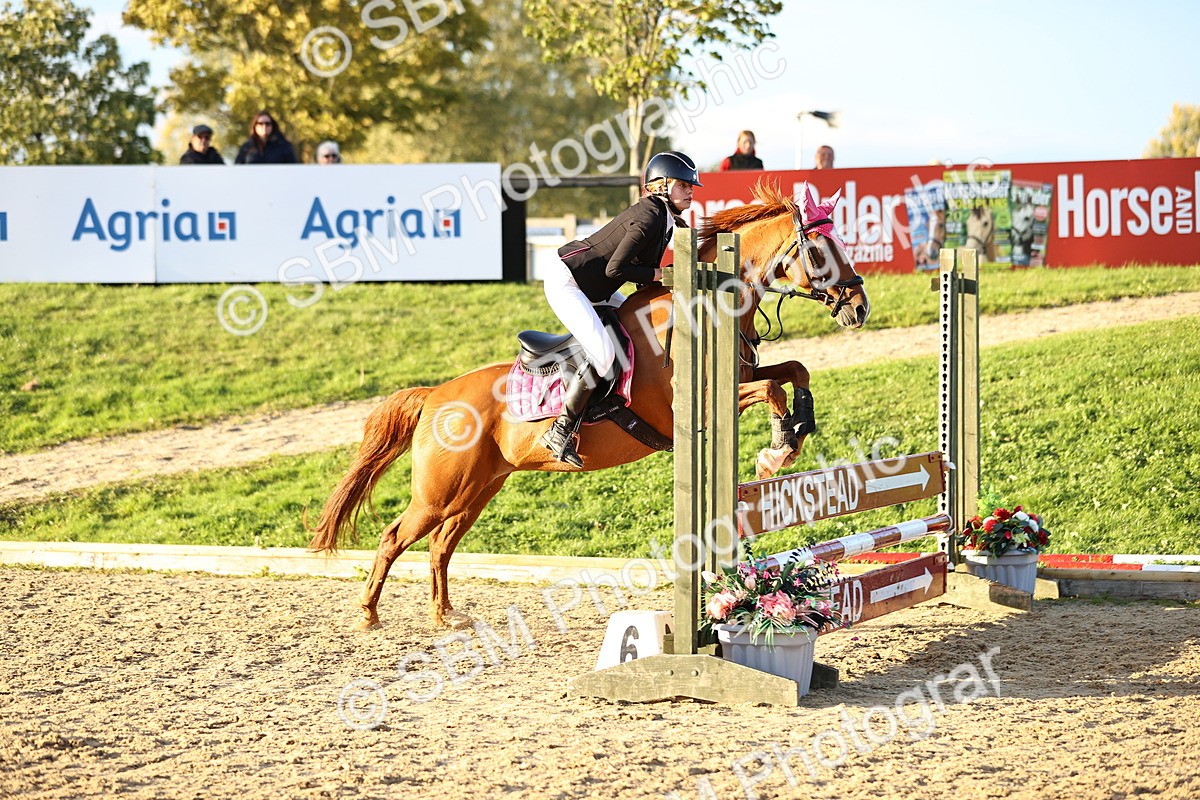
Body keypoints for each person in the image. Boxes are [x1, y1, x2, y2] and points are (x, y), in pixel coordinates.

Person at [540, 151, 701, 467]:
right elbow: (617, 269)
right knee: (603, 353)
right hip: (570, 283)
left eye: (691, 186)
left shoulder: (665, 218)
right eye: (684, 185)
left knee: (631, 327)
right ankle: (560, 429)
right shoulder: (650, 216)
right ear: (662, 186)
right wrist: (663, 275)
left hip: (598, 287)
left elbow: (641, 279)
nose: (691, 191)